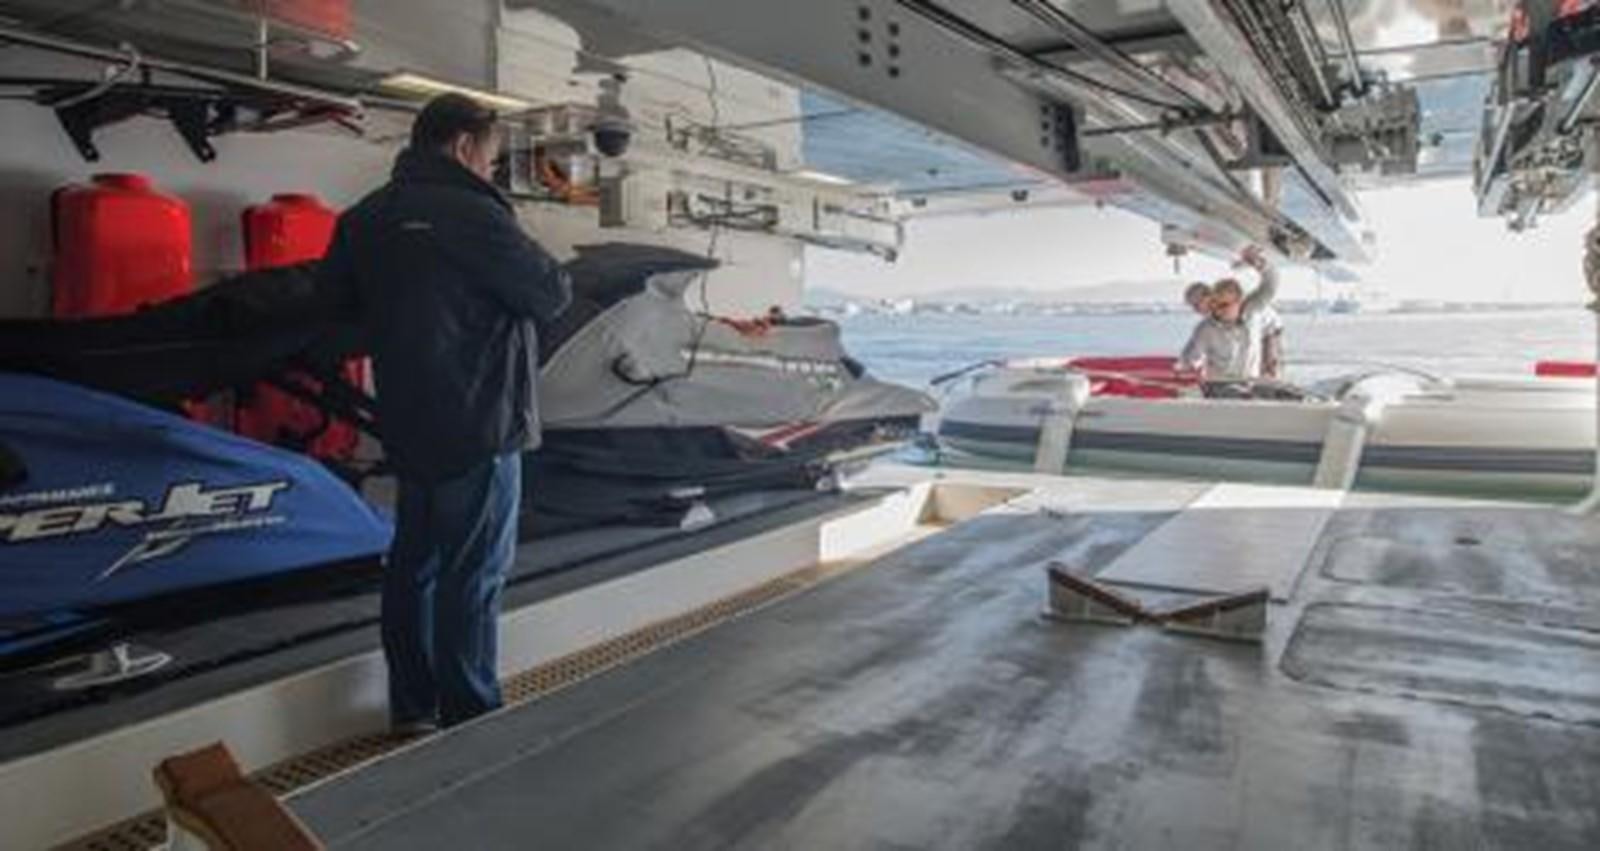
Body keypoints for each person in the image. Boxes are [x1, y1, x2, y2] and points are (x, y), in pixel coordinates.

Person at [318, 93, 572, 730]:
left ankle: (413, 706)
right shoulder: (476, 214)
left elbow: (338, 319)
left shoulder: (364, 218)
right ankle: (471, 716)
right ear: (464, 147)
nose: (489, 170)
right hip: (481, 420)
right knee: (474, 573)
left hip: (407, 417)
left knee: (414, 567)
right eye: (489, 157)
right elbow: (550, 294)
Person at [1178, 246, 1278, 382]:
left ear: (1239, 301)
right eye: (1215, 304)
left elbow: (1270, 284)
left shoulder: (1252, 310)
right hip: (1221, 389)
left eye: (1224, 305)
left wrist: (1259, 264)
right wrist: (1188, 366)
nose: (1218, 309)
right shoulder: (1205, 329)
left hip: (1252, 381)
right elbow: (1189, 358)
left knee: (1270, 375)